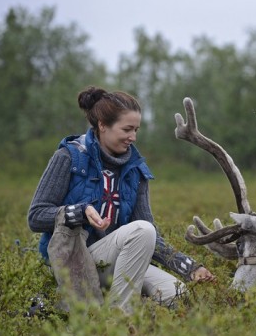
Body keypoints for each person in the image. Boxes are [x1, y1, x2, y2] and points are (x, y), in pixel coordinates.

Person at [28, 86, 215, 313]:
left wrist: (190, 267)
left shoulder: (135, 171)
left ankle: (111, 306)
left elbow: (150, 236)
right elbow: (36, 216)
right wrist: (79, 212)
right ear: (102, 126)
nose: (133, 137)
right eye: (127, 129)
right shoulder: (69, 157)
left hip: (115, 262)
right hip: (72, 262)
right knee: (143, 230)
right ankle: (118, 320)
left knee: (178, 294)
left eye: (136, 130)